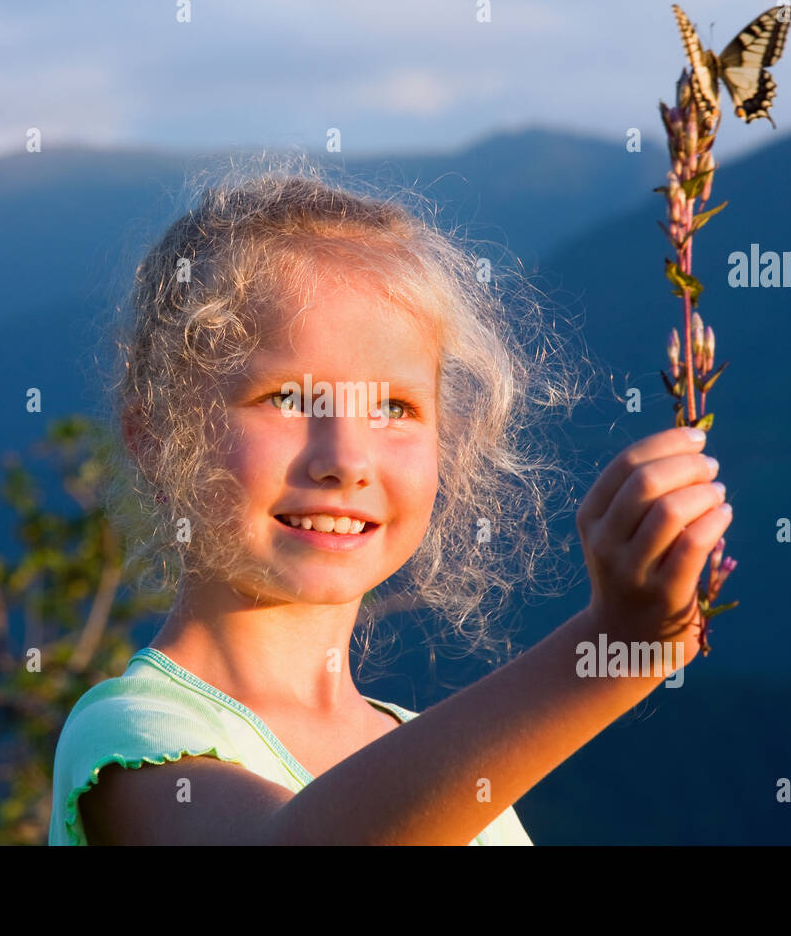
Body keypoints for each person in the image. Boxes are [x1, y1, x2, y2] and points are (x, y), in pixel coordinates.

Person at [48, 155, 731, 845]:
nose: (345, 460)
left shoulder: (445, 770)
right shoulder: (134, 735)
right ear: (157, 439)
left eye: (395, 407)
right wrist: (610, 650)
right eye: (286, 398)